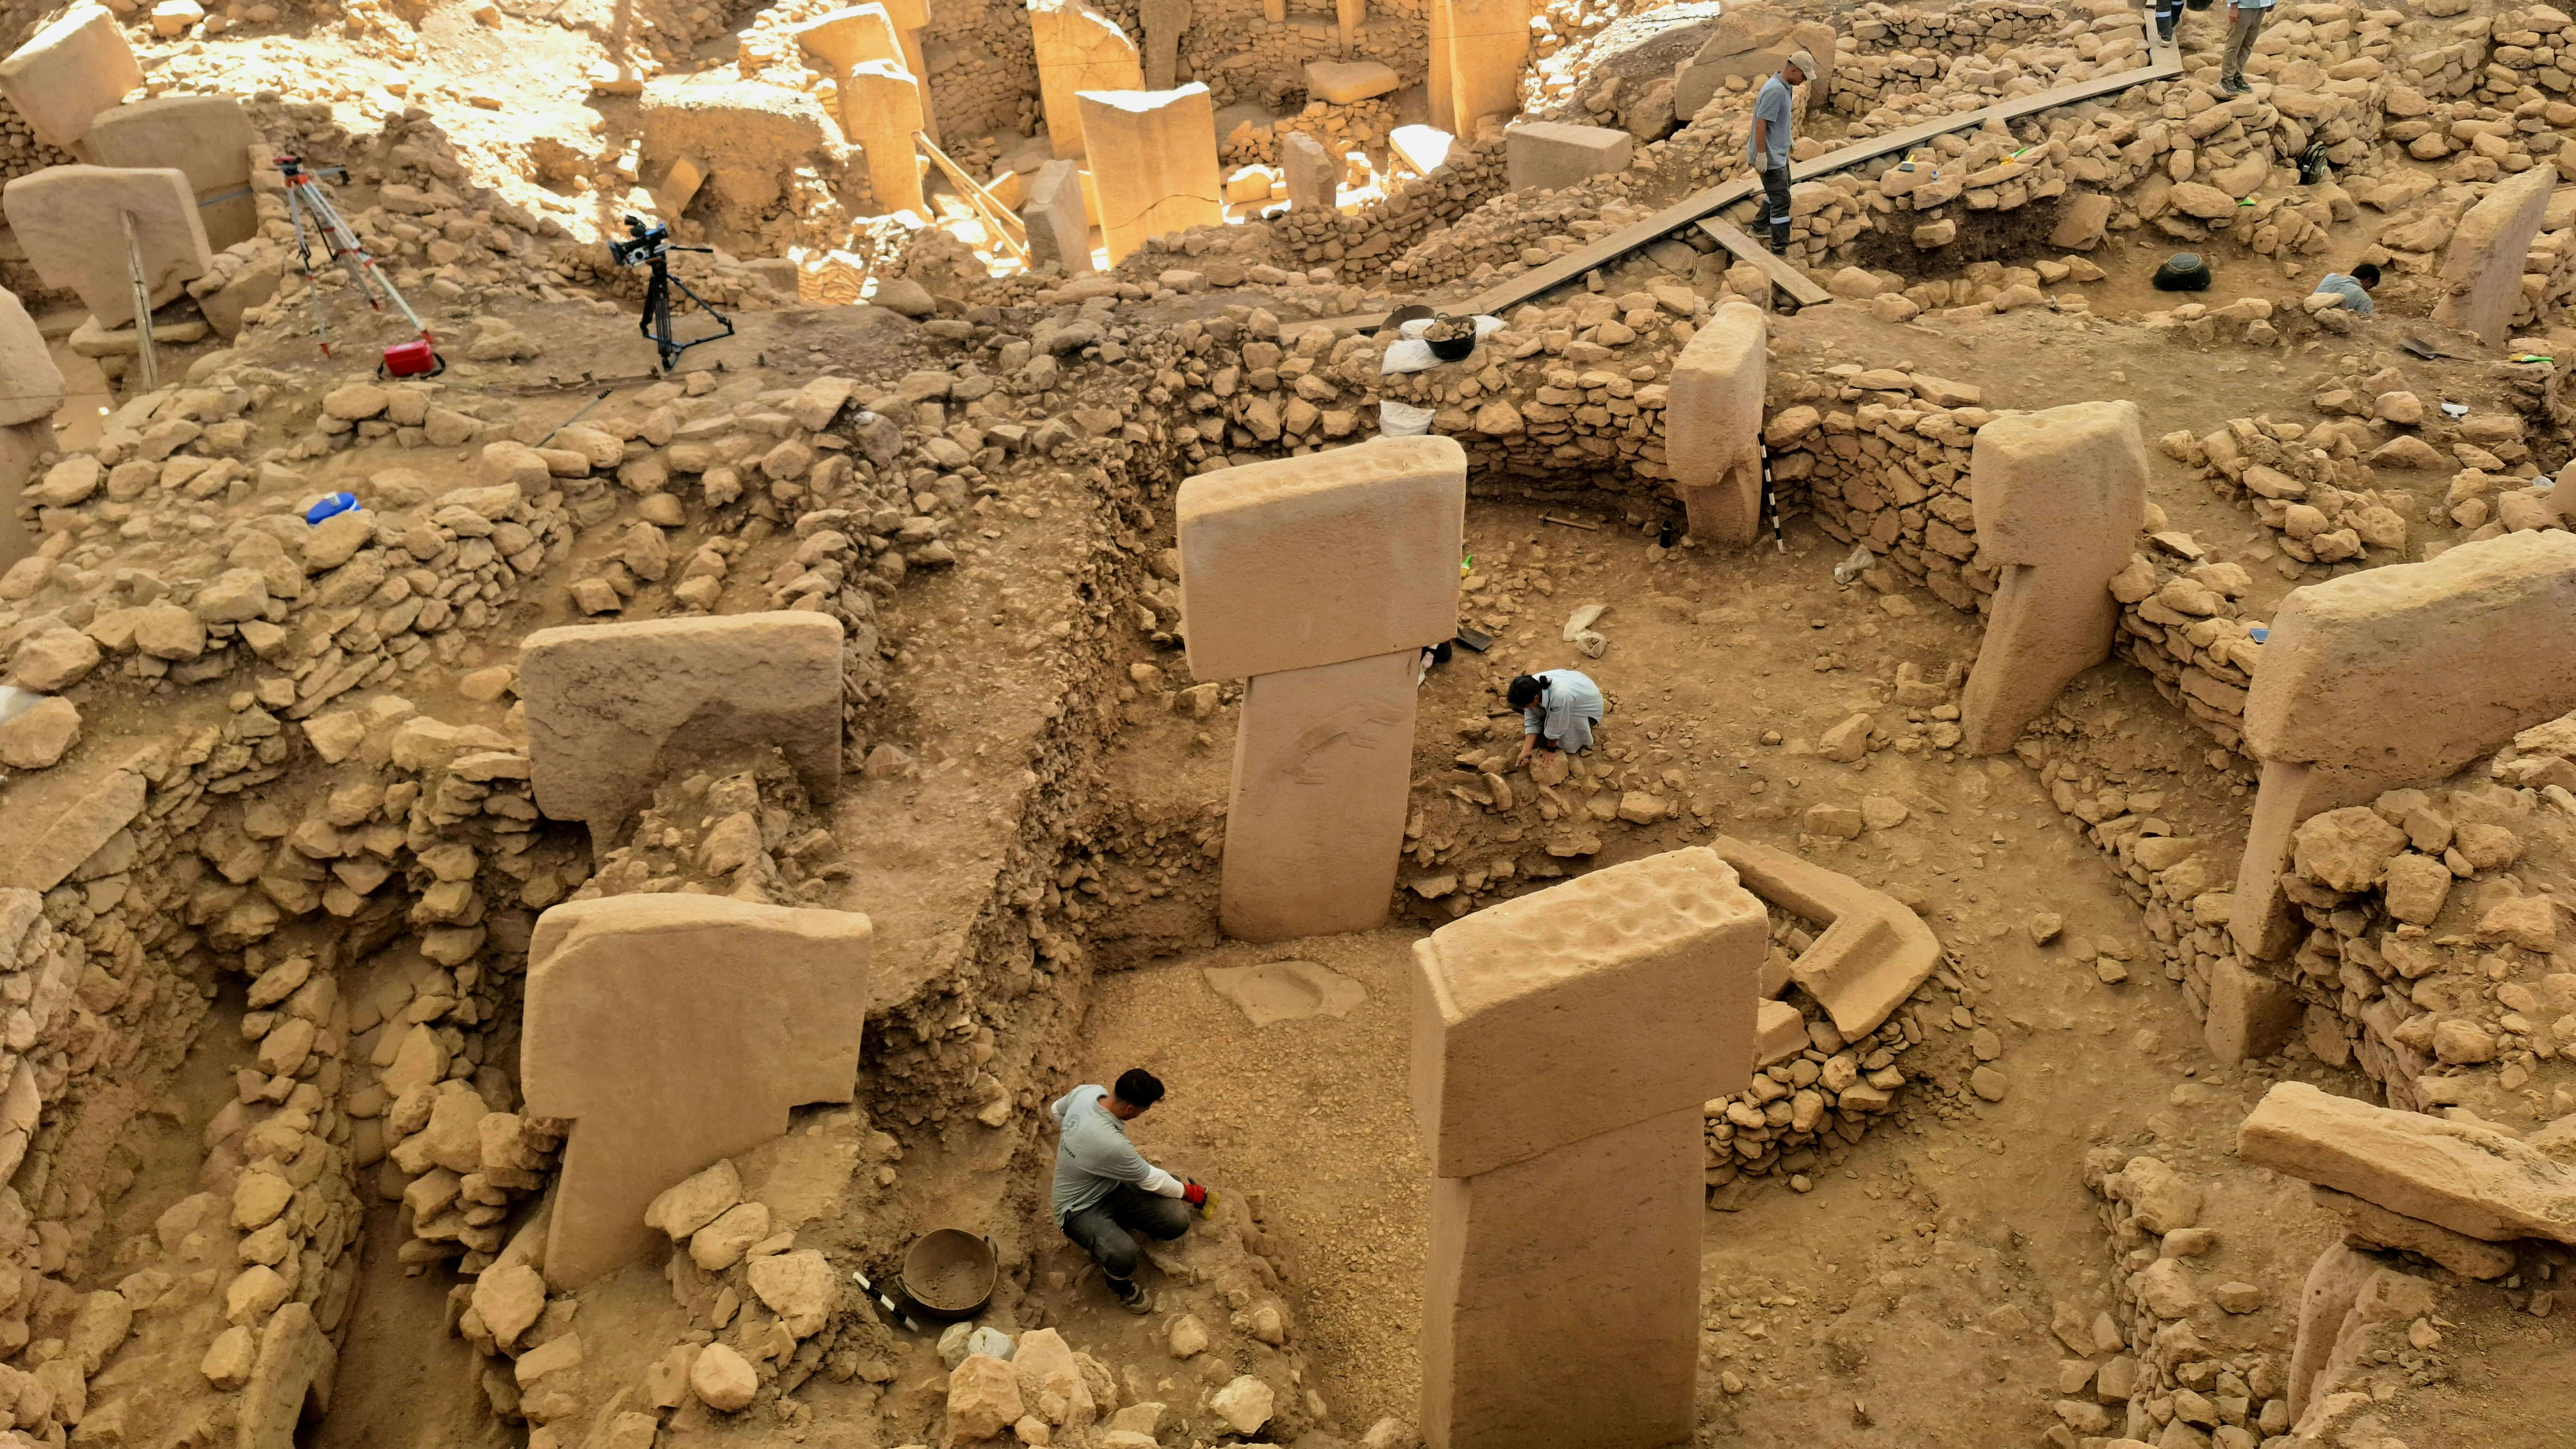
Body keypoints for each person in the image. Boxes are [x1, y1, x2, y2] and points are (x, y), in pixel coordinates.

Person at [1048, 1068, 1207, 1314]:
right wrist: (1190, 1193)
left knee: (1175, 1222)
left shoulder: (1089, 1093)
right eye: (1145, 1110)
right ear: (1131, 1109)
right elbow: (1151, 1181)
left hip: (1111, 1186)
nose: (1145, 1114)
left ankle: (1115, 1225)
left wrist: (1075, 1142)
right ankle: (1119, 1285)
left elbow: (1056, 1111)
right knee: (1124, 1254)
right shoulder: (1112, 1145)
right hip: (1078, 1209)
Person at [1748, 51, 1810, 256]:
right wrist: (1761, 155)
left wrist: (1787, 138)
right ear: (1794, 70)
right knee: (1782, 202)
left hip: (1778, 151)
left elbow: (1777, 119)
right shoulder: (1775, 90)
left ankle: (1758, 228)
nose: (1804, 81)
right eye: (1804, 76)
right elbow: (1761, 122)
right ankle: (1779, 250)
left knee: (1780, 191)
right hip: (1771, 156)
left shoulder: (1785, 87)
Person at [1509, 668, 1604, 765]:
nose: (1524, 709)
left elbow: (1556, 727)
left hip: (1587, 710)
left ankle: (1583, 731)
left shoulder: (1560, 696)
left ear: (1536, 698)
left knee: (1557, 742)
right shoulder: (1529, 687)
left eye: (1525, 706)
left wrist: (1551, 751)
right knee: (1524, 709)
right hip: (1576, 689)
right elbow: (1532, 720)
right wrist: (1526, 751)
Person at [2220, 0, 2275, 95]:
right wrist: (2234, 7)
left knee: (2248, 44)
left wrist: (2272, 2)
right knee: (2234, 44)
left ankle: (2237, 76)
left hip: (2261, 6)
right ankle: (2227, 79)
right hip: (2243, 7)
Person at [2312, 263, 2379, 317]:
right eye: (2371, 286)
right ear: (2369, 280)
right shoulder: (2365, 300)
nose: (2368, 291)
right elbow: (2366, 324)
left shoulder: (2330, 277)